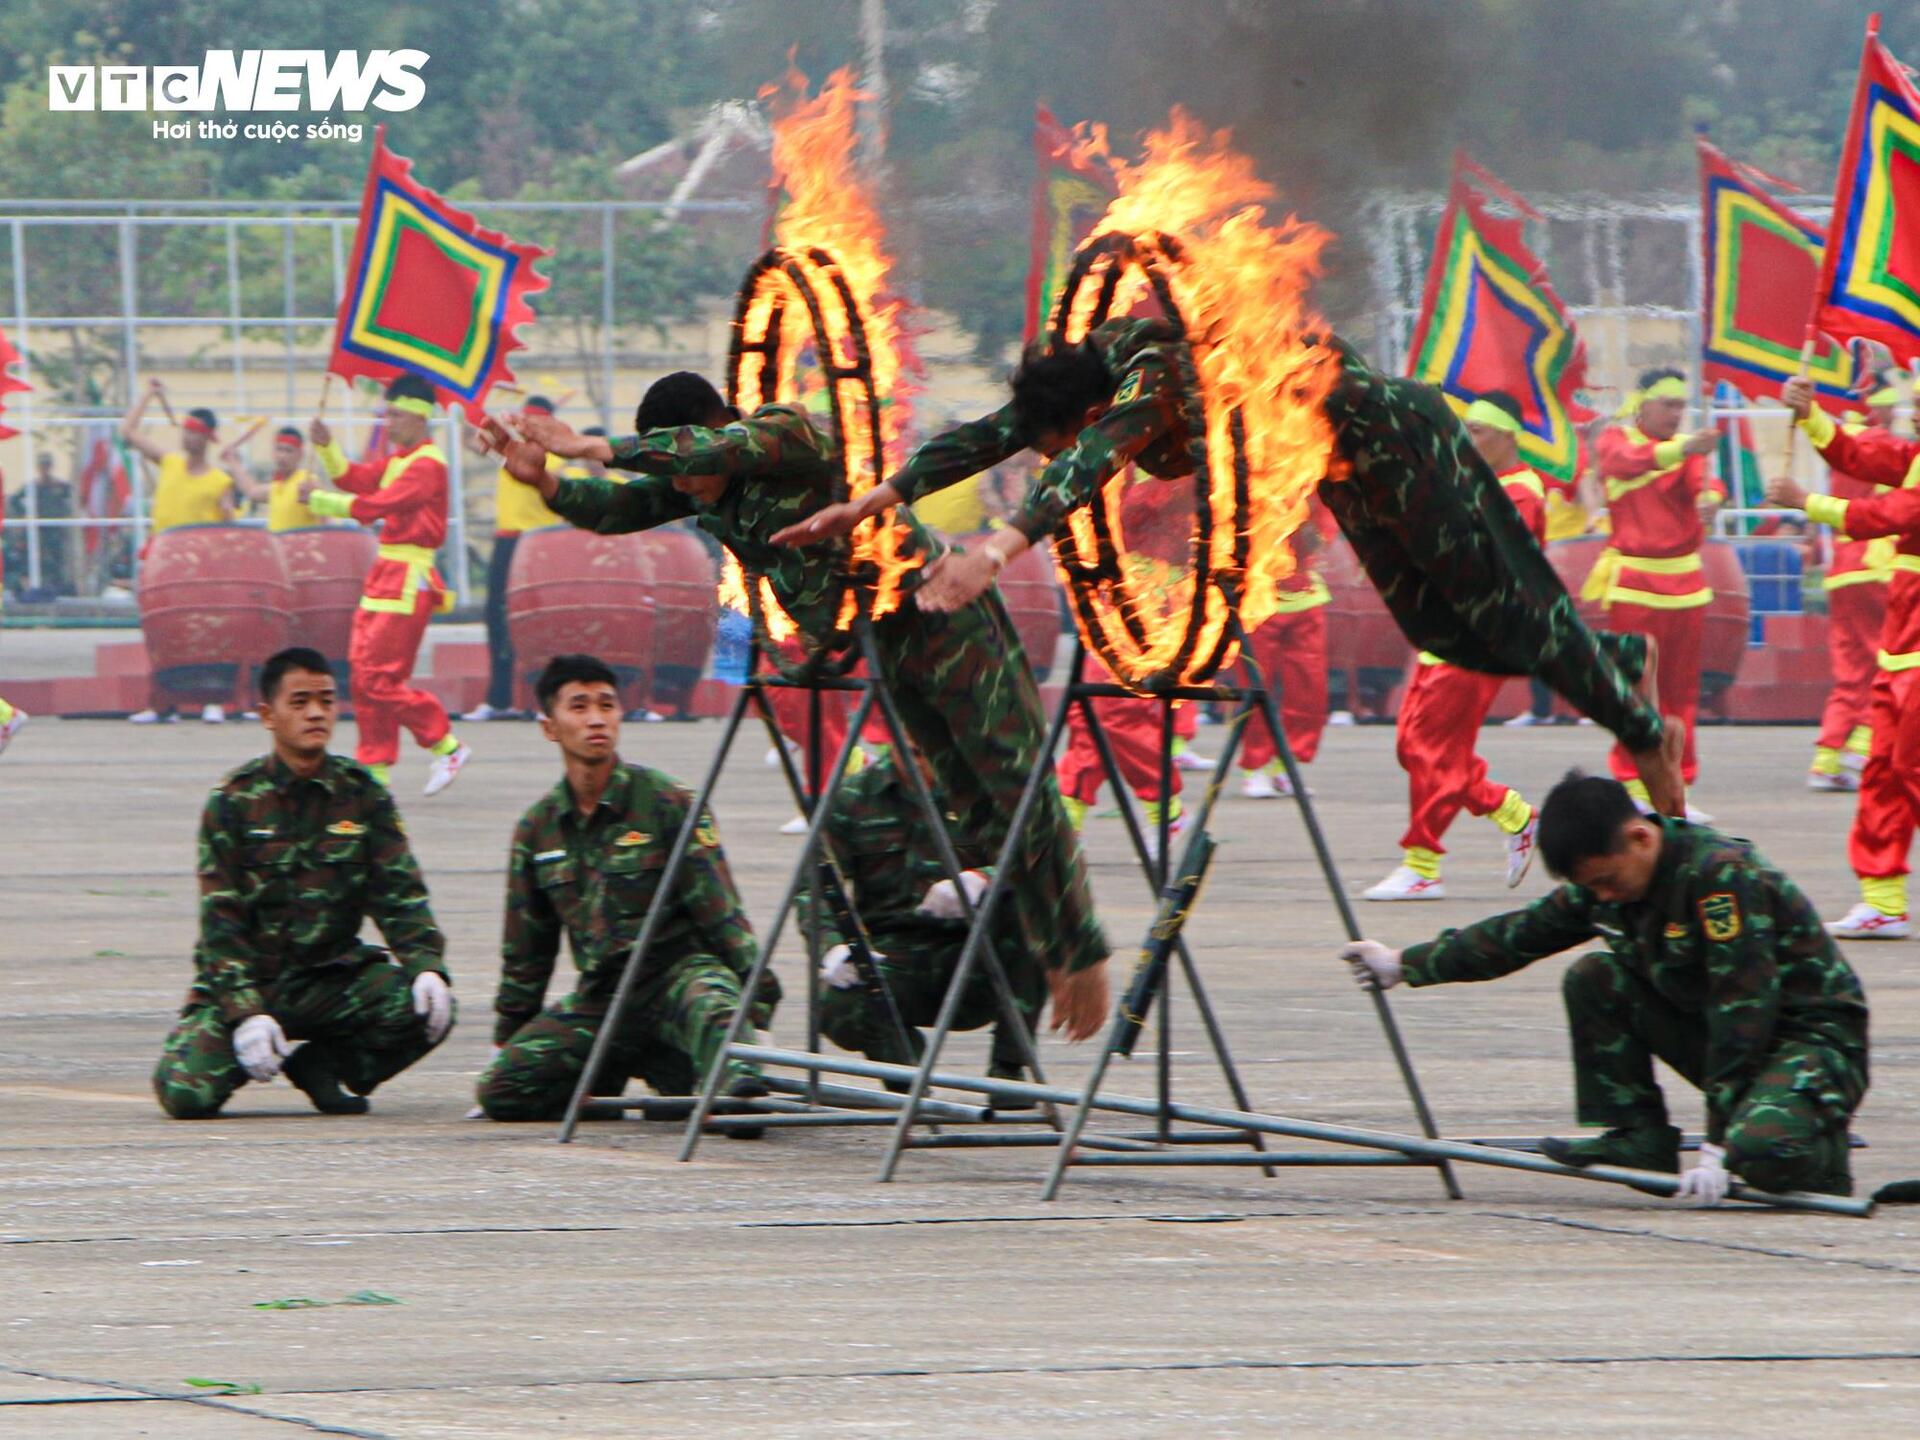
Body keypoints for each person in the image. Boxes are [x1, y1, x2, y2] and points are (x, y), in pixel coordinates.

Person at [775, 322, 1688, 816]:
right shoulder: (1078, 387)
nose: (1108, 455)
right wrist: (873, 500)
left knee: (1510, 611)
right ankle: (1612, 657)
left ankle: (1642, 732)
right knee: (1442, 632)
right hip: (1342, 465)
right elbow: (985, 437)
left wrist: (995, 550)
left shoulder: (1146, 377)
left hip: (1395, 434)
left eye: (1078, 432)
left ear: (1091, 410)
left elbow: (1086, 461)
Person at [489, 372, 1112, 1043]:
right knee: (974, 801)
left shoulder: (782, 436)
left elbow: (700, 453)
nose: (686, 487)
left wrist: (588, 445)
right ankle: (1042, 940)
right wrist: (548, 483)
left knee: (1016, 785)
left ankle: (1079, 949)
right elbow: (620, 509)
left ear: (717, 428)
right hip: (888, 643)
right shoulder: (702, 488)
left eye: (687, 465)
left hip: (943, 613)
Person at [1342, 771, 1868, 1202]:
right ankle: (1637, 1136)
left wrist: (1718, 1143)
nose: (1603, 896)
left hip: (1813, 1043)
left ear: (1641, 838)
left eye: (1606, 882)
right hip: (1733, 1039)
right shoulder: (1611, 884)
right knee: (1596, 977)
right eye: (1592, 888)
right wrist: (1402, 964)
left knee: (1760, 1156)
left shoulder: (1718, 878)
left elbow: (1742, 1011)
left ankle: (1822, 1154)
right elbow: (1516, 937)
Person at [152, 647, 456, 1118]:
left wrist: (426, 964)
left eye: (326, 700)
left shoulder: (362, 795)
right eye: (299, 702)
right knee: (185, 1094)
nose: (316, 712)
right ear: (268, 716)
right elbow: (220, 922)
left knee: (427, 1009)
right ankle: (248, 1040)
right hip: (253, 979)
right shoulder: (233, 801)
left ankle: (324, 1066)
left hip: (332, 979)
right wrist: (245, 1012)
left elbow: (400, 895)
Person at [476, 653, 776, 1121]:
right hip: (606, 996)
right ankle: (627, 1072)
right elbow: (527, 950)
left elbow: (722, 912)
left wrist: (757, 1008)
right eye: (578, 707)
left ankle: (714, 1080)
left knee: (729, 1050)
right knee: (503, 1090)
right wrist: (510, 1034)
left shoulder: (667, 802)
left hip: (679, 979)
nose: (597, 719)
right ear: (549, 726)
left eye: (607, 705)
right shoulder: (538, 829)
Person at [1366, 394, 1542, 900]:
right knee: (1414, 747)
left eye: (1480, 431)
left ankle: (1422, 866)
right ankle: (1511, 812)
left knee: (1432, 749)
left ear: (1508, 436)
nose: (1469, 439)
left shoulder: (1522, 494)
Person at [1766, 374, 1920, 939]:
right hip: (1903, 644)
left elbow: (1892, 516)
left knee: (1909, 770)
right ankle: (1883, 902)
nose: (1916, 416)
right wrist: (1811, 415)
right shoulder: (1914, 455)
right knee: (1883, 770)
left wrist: (1808, 503)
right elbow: (1859, 452)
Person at [804, 745, 1040, 1080]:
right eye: (911, 752)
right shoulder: (854, 798)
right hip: (892, 960)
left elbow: (1036, 855)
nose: (922, 764)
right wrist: (833, 946)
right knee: (836, 1006)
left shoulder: (978, 789)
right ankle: (904, 1070)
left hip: (973, 958)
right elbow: (813, 882)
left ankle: (1009, 1065)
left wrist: (983, 877)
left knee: (1030, 907)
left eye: (926, 751)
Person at [301, 374, 471, 795]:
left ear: (418, 416)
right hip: (386, 576)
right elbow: (355, 480)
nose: (387, 422)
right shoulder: (400, 459)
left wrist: (321, 502)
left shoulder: (428, 464)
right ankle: (374, 771)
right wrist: (326, 446)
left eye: (394, 414)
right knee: (363, 677)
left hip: (408, 580)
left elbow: (379, 505)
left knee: (380, 678)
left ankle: (445, 743)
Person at [1591, 368, 1725, 812]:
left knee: (1681, 694)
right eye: (1668, 404)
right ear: (1642, 404)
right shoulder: (1616, 440)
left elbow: (1706, 483)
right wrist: (1687, 447)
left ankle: (1676, 789)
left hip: (1686, 587)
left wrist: (1714, 499)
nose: (1676, 413)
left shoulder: (1689, 454)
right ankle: (1632, 782)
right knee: (1633, 690)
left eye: (1681, 406)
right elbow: (1621, 464)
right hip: (1636, 585)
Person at [122, 379, 238, 724]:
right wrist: (148, 394)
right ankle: (162, 704)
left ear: (208, 438)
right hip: (162, 563)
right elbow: (127, 432)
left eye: (194, 432)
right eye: (185, 430)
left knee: (208, 634)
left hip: (202, 570)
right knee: (159, 633)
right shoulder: (169, 462)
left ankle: (214, 701)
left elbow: (230, 523)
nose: (187, 437)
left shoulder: (220, 481)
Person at [1807, 376, 1900, 792]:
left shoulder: (1840, 444)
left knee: (1850, 667)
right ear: (1875, 408)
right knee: (1884, 659)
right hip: (1877, 562)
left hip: (1843, 565)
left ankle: (1827, 757)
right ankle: (1863, 747)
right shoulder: (1881, 443)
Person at [463, 394, 565, 722]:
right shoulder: (510, 453)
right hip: (506, 543)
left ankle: (544, 701)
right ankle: (499, 698)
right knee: (496, 618)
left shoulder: (558, 461)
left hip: (540, 549)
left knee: (542, 626)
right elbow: (478, 444)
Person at [1235, 505, 1331, 799]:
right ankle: (1255, 767)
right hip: (1258, 599)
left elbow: (1323, 525)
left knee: (1310, 691)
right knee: (1255, 688)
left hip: (1304, 597)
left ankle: (1284, 765)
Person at [233, 426, 324, 533]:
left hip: (300, 548)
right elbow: (252, 491)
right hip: (278, 548)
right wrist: (233, 460)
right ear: (273, 452)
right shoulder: (278, 485)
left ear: (300, 454)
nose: (282, 456)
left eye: (289, 450)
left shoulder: (308, 482)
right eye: (279, 449)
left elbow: (326, 521)